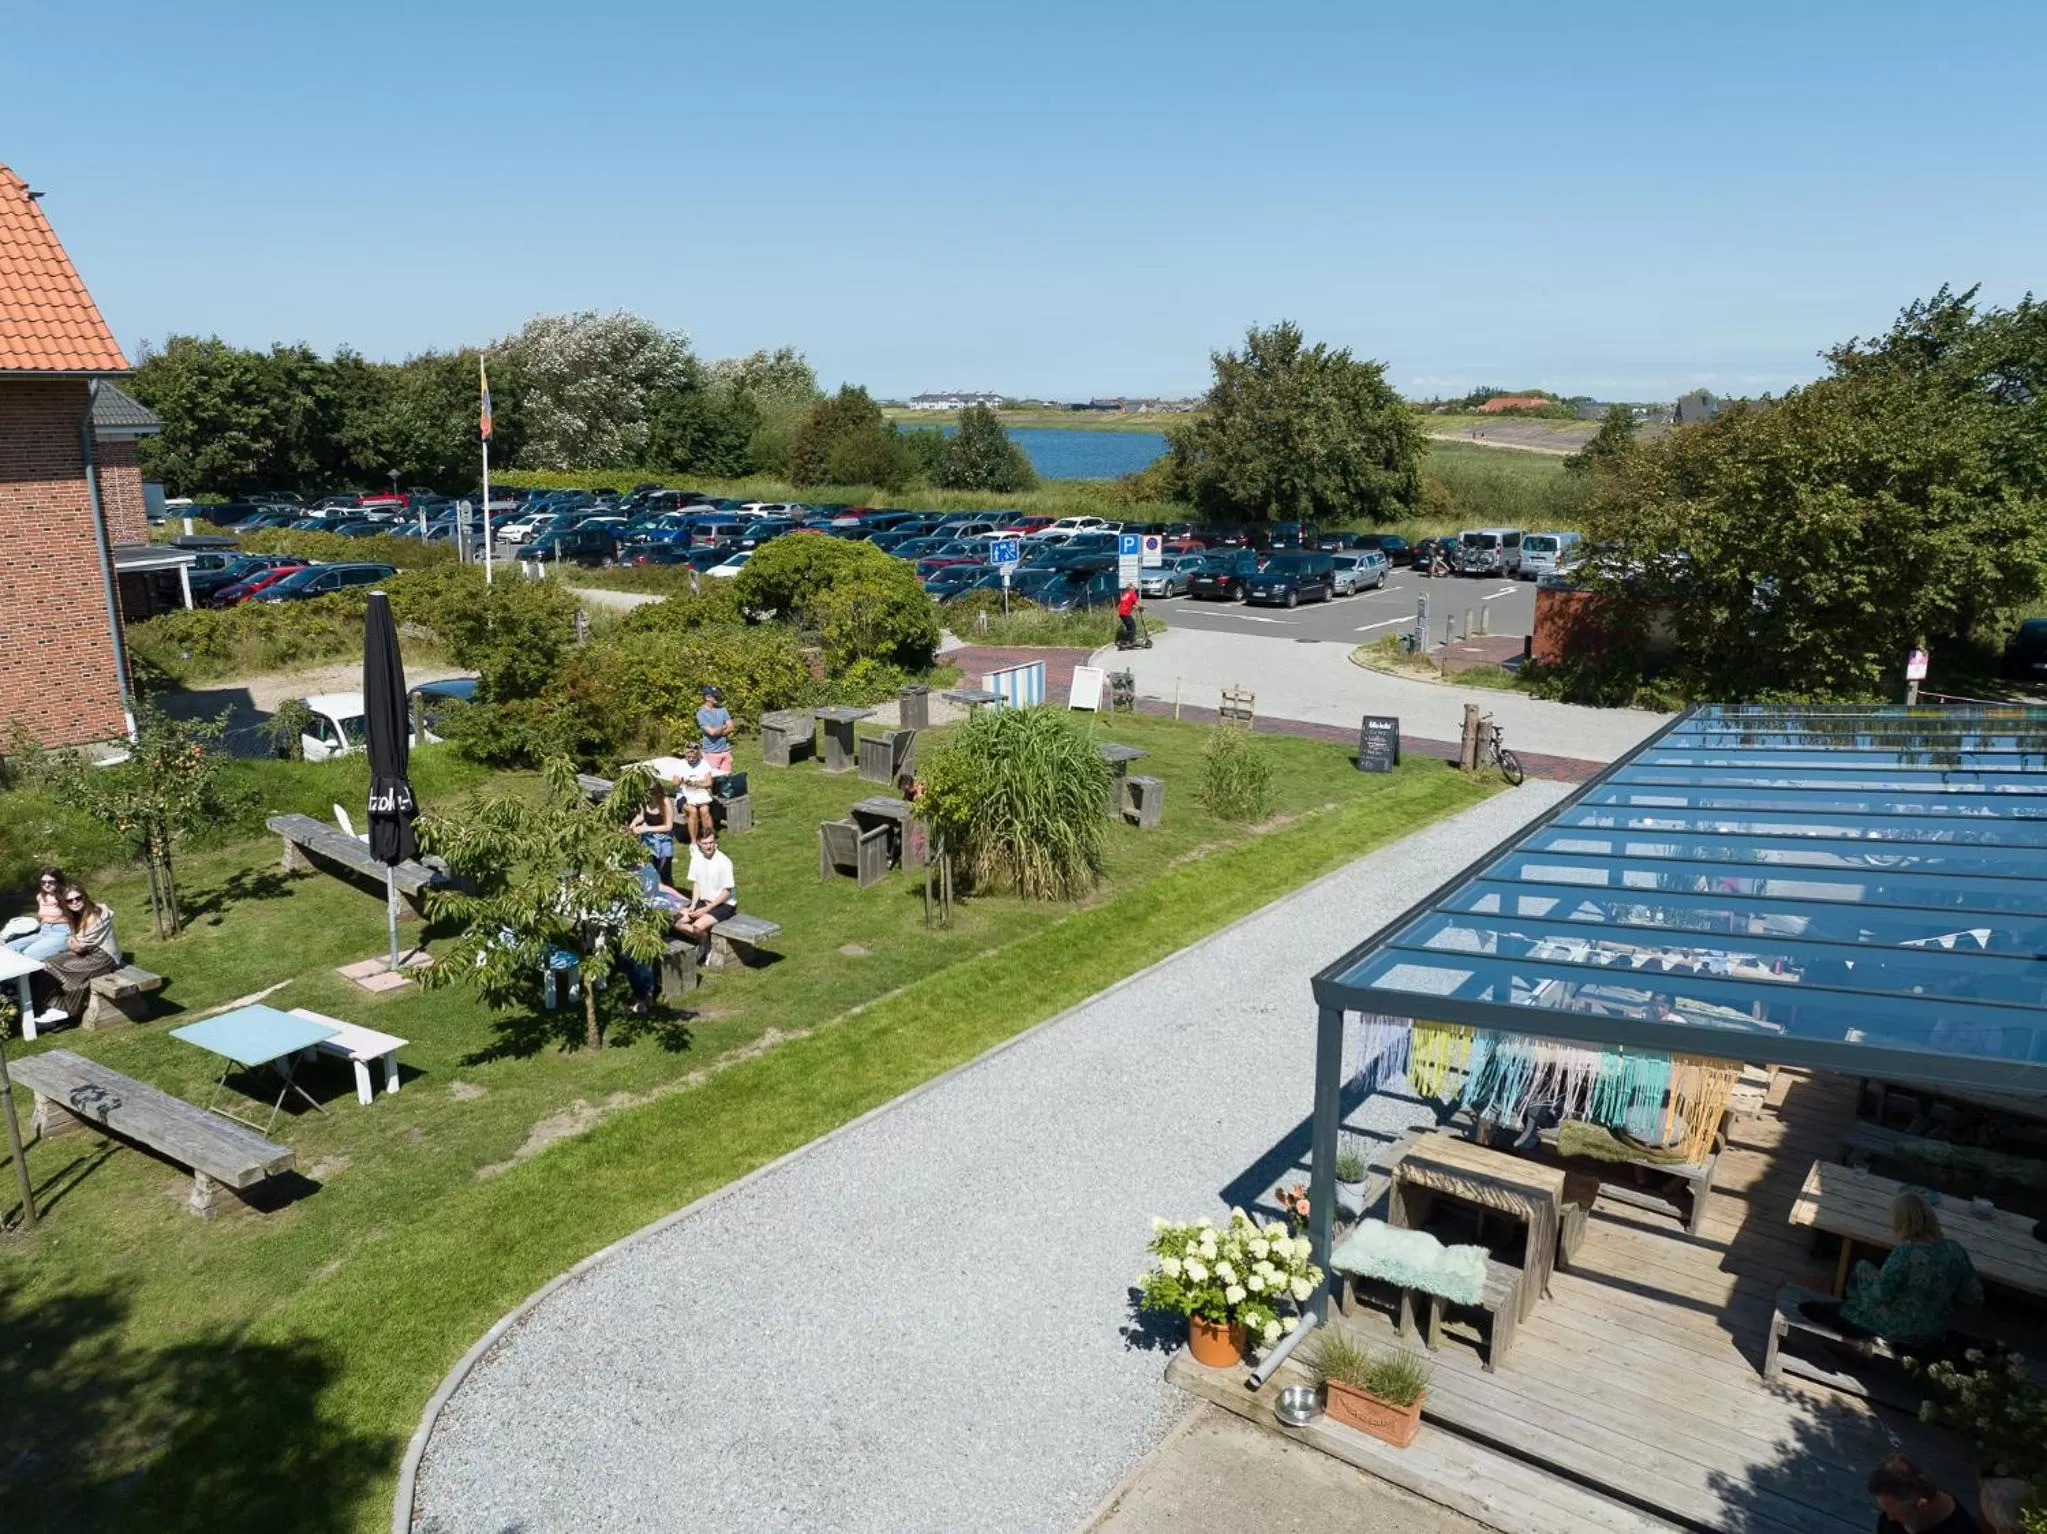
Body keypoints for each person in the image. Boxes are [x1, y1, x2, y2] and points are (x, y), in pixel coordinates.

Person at [1802, 1192, 1982, 1353]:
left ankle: (1850, 1324)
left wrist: (1865, 1278)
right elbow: (1973, 1298)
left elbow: (1879, 1295)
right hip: (1934, 1331)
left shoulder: (1905, 1254)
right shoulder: (1955, 1250)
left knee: (1862, 1270)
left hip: (1897, 1329)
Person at [28, 881, 120, 1027]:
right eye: (70, 901)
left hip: (104, 957)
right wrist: (74, 943)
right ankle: (54, 1008)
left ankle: (60, 1009)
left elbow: (79, 946)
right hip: (89, 954)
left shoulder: (95, 915)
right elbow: (74, 942)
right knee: (45, 964)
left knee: (55, 970)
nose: (75, 902)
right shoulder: (76, 915)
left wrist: (74, 943)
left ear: (85, 897)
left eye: (78, 898)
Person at [1867, 1455, 1979, 1534]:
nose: (1890, 1518)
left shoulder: (1961, 1529)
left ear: (1922, 1504)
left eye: (1895, 1513)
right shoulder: (1905, 1510)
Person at [674, 828, 736, 962]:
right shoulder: (696, 859)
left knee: (697, 927)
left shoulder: (724, 862)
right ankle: (704, 940)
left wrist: (705, 910)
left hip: (723, 905)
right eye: (705, 843)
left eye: (711, 842)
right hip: (704, 901)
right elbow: (697, 884)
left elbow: (727, 892)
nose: (709, 846)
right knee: (678, 921)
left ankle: (705, 948)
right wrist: (694, 905)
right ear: (698, 843)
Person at [5, 866, 73, 961]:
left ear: (58, 882)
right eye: (43, 882)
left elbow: (81, 915)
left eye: (51, 882)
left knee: (28, 955)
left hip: (61, 933)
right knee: (9, 947)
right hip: (43, 932)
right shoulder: (41, 897)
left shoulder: (67, 896)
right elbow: (41, 917)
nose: (47, 885)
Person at [627, 778, 676, 885]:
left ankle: (670, 895)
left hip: (663, 841)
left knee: (664, 873)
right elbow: (641, 816)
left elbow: (668, 826)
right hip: (648, 840)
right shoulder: (644, 800)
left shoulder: (665, 801)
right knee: (647, 870)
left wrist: (646, 829)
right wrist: (634, 823)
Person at [675, 742, 718, 843]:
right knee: (692, 811)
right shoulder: (680, 764)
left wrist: (695, 784)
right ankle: (694, 841)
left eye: (693, 756)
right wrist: (680, 780)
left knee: (704, 810)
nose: (691, 758)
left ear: (698, 754)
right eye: (688, 756)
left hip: (700, 794)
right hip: (684, 795)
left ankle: (709, 837)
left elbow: (709, 783)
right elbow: (674, 782)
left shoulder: (704, 764)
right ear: (685, 754)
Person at [696, 686, 734, 774]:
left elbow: (731, 727)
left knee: (726, 778)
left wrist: (718, 732)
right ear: (707, 698)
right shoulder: (701, 714)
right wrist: (724, 726)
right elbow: (711, 732)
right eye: (715, 696)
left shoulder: (722, 709)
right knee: (713, 779)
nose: (717, 698)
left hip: (726, 750)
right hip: (711, 752)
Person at [1116, 584, 1140, 648]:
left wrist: (1134, 607)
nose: (1135, 590)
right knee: (1133, 626)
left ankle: (1126, 641)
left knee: (1129, 627)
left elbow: (1127, 603)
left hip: (1121, 613)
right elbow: (1137, 603)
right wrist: (1140, 607)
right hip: (1126, 613)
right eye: (1134, 589)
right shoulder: (1132, 594)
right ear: (1132, 589)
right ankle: (1128, 641)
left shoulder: (1124, 594)